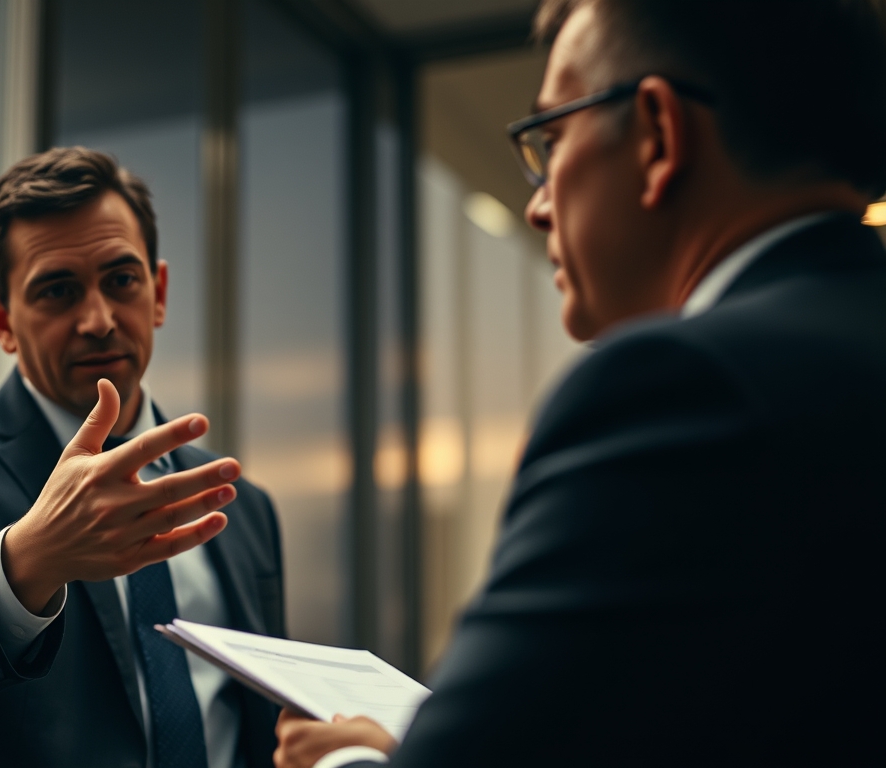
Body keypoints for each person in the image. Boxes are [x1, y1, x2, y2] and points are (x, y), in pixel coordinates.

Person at [276, 0, 886, 766]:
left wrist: (344, 762)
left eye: (553, 138)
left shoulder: (681, 390)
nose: (536, 206)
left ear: (659, 136)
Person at [0, 147, 284, 768]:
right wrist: (32, 558)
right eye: (57, 290)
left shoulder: (246, 508)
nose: (99, 319)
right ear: (2, 322)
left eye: (122, 281)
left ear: (157, 293)